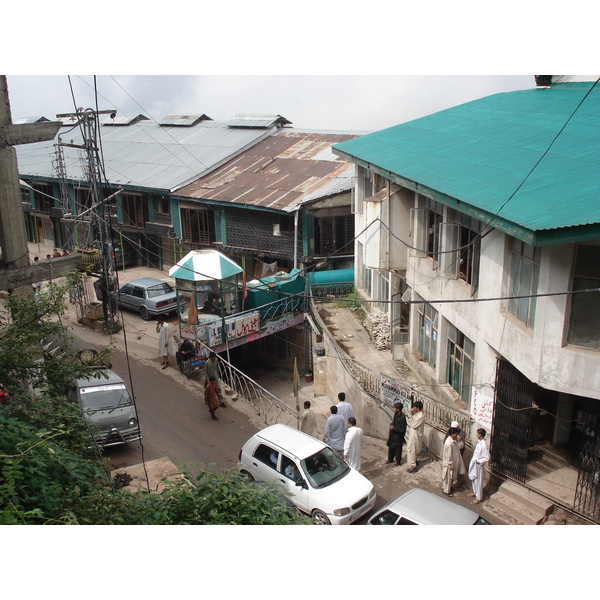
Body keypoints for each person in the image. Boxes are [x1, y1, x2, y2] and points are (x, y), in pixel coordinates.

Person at [468, 428, 490, 504]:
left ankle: (479, 497)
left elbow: (486, 457)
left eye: (477, 433)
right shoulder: (479, 443)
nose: (476, 435)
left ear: (480, 435)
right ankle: (475, 492)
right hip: (474, 464)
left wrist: (479, 461)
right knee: (473, 479)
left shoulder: (484, 445)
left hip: (478, 466)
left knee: (478, 482)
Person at [405, 401, 425, 473]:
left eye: (414, 407)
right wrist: (410, 414)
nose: (413, 408)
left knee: (412, 449)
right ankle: (415, 461)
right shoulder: (417, 414)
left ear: (418, 408)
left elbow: (413, 424)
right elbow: (412, 419)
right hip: (414, 434)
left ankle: (413, 466)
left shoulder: (420, 416)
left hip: (415, 436)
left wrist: (410, 415)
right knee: (413, 449)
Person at [442, 427, 459, 496]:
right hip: (449, 464)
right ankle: (447, 491)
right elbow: (449, 456)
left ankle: (445, 488)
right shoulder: (449, 443)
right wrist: (451, 465)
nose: (456, 435)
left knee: (447, 478)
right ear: (452, 434)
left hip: (450, 463)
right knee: (448, 478)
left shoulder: (451, 440)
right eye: (455, 434)